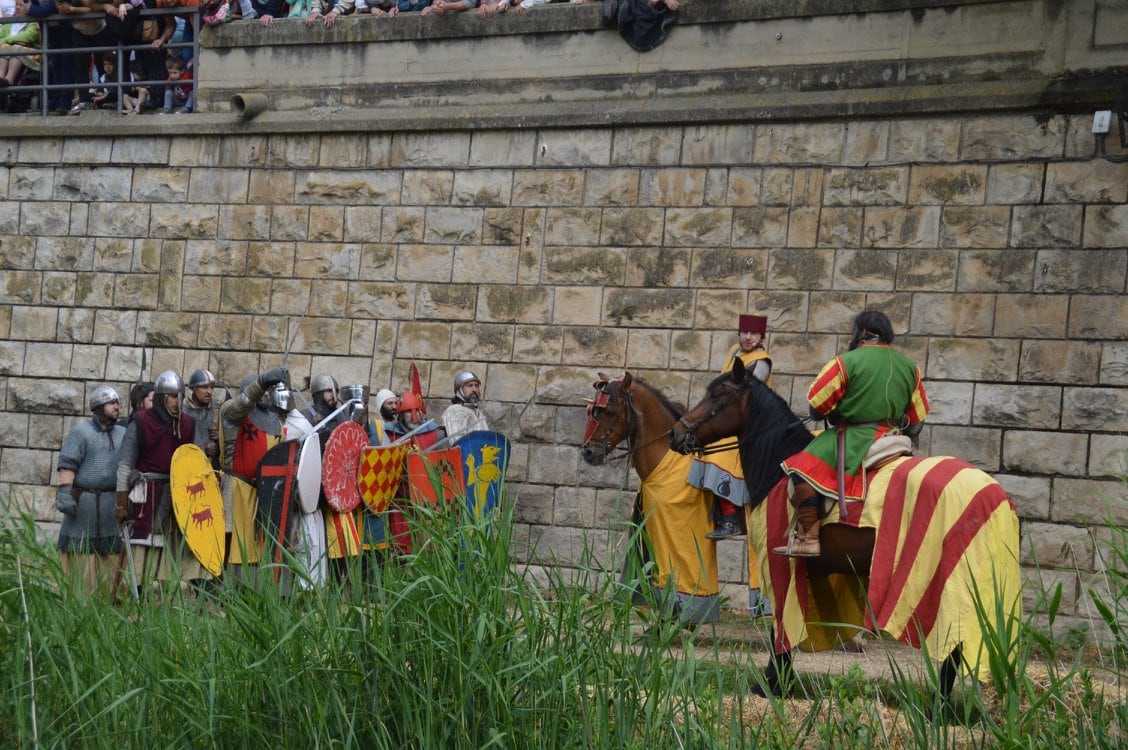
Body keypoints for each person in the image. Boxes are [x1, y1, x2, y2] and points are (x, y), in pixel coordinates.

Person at [777, 309, 929, 558]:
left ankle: (810, 538)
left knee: (800, 467)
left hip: (855, 437)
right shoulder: (911, 368)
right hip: (895, 439)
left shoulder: (847, 361)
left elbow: (817, 406)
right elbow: (916, 423)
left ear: (861, 333)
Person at [115, 370, 208, 591]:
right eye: (172, 396)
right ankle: (138, 592)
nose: (177, 402)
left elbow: (197, 462)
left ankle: (173, 594)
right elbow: (125, 465)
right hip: (147, 495)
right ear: (160, 397)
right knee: (143, 549)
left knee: (177, 545)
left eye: (179, 396)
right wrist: (120, 501)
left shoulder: (188, 424)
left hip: (179, 496)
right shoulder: (140, 422)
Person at [693, 314, 772, 541]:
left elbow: (748, 393)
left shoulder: (762, 361)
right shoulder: (734, 352)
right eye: (744, 332)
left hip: (750, 426)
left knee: (721, 458)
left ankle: (730, 519)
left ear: (761, 336)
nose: (748, 337)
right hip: (729, 420)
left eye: (753, 333)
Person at [55, 385, 125, 596]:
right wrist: (65, 495)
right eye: (111, 403)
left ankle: (109, 600)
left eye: (117, 403)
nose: (117, 407)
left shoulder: (124, 433)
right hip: (84, 502)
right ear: (98, 406)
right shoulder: (81, 433)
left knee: (110, 550)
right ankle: (79, 598)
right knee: (80, 550)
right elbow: (67, 466)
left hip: (110, 502)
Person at [218, 366, 289, 574]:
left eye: (268, 389)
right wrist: (262, 381)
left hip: (264, 494)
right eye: (262, 389)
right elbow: (244, 403)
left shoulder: (275, 421)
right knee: (232, 543)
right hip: (237, 490)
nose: (266, 393)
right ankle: (224, 594)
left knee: (259, 549)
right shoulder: (232, 414)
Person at [182, 368, 219, 468]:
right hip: (188, 467)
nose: (209, 391)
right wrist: (203, 449)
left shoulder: (216, 409)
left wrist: (219, 437)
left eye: (212, 387)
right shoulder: (182, 410)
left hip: (211, 470)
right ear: (194, 388)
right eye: (204, 387)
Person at [0, 0, 41, 88]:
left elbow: (26, 37)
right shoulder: (9, 22)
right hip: (8, 51)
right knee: (4, 51)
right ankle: (1, 78)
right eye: (16, 5)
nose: (17, 7)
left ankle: (9, 80)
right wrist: (8, 42)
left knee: (15, 50)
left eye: (21, 5)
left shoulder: (34, 22)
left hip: (30, 54)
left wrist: (4, 41)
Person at [440, 370, 489, 441]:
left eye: (476, 386)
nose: (474, 389)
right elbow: (455, 442)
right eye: (470, 386)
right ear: (460, 389)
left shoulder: (478, 413)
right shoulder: (453, 411)